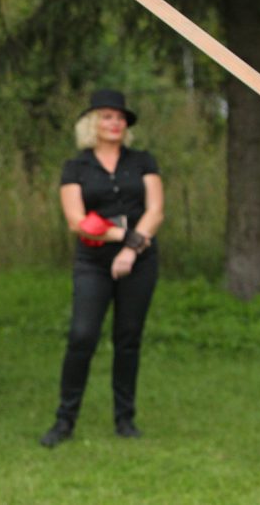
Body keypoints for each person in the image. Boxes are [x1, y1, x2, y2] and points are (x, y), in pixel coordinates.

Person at [40, 89, 165, 448]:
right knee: (82, 336)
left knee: (128, 338)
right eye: (109, 116)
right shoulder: (76, 167)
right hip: (92, 262)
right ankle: (64, 421)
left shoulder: (142, 161)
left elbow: (155, 210)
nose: (116, 123)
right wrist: (124, 236)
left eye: (121, 118)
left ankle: (125, 419)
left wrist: (133, 248)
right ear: (93, 123)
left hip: (139, 260)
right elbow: (76, 220)